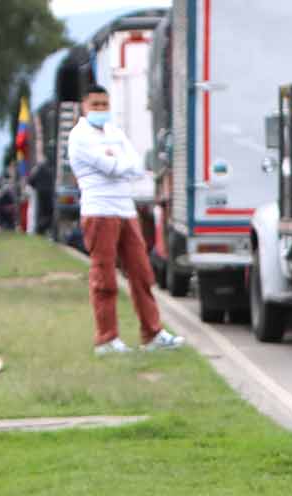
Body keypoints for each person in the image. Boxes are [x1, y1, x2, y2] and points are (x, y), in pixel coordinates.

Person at [67, 84, 183, 355]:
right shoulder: (79, 136)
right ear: (84, 107)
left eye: (104, 105)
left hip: (125, 209)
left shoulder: (114, 132)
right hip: (99, 210)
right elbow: (113, 166)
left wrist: (119, 164)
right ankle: (107, 338)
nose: (100, 110)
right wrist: (118, 163)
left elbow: (134, 165)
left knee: (141, 272)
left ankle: (152, 333)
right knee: (104, 277)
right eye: (95, 105)